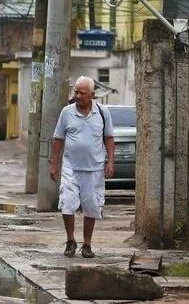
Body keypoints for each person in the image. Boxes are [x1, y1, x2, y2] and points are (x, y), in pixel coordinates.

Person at [50, 76, 115, 258]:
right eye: (76, 92)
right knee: (67, 204)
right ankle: (70, 240)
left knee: (91, 207)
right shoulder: (67, 112)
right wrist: (54, 163)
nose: (77, 96)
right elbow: (58, 139)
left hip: (94, 169)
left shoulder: (103, 113)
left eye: (82, 93)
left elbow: (109, 138)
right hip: (71, 167)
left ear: (92, 95)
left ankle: (87, 244)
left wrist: (110, 162)